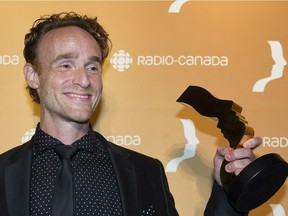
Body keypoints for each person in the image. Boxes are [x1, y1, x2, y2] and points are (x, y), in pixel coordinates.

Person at [0, 12, 261, 216]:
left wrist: (229, 191)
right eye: (66, 64)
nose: (83, 79)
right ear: (33, 76)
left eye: (93, 66)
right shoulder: (3, 173)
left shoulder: (145, 172)